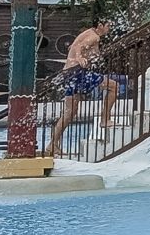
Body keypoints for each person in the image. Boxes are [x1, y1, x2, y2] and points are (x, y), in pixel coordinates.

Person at [44, 24, 126, 158]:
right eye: (108, 26)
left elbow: (73, 45)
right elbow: (78, 47)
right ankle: (105, 119)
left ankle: (52, 144)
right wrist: (79, 58)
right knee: (114, 86)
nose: (109, 29)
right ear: (100, 25)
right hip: (77, 73)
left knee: (70, 112)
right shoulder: (94, 36)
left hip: (69, 73)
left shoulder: (88, 33)